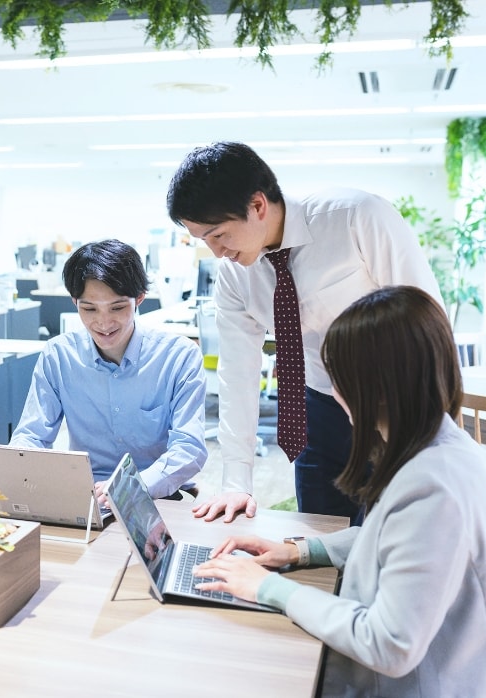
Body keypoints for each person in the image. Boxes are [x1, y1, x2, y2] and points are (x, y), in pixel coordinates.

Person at [192, 285, 486, 696]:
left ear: (379, 389)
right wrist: (302, 551)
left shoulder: (433, 486)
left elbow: (389, 645)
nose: (333, 393)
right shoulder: (437, 446)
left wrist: (268, 588)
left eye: (338, 379)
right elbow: (397, 539)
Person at [166, 141, 441, 523]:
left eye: (218, 235)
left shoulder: (356, 217)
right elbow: (237, 374)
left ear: (258, 206)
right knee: (320, 535)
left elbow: (427, 319)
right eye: (204, 241)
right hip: (317, 407)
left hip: (393, 406)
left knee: (391, 535)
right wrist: (237, 482)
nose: (216, 252)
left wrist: (432, 424)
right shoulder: (234, 275)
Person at [9, 238, 207, 500]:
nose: (103, 322)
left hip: (153, 493)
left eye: (117, 307)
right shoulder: (59, 356)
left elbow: (189, 447)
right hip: (86, 495)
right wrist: (17, 470)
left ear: (139, 299)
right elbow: (32, 436)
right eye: (89, 308)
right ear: (74, 302)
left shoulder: (178, 357)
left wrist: (130, 486)